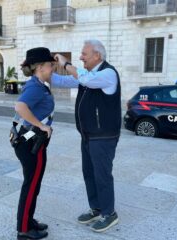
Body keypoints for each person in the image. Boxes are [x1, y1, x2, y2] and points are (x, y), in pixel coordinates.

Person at [52, 39, 121, 233]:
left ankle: (109, 213)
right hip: (88, 135)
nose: (81, 57)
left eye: (84, 54)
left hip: (103, 136)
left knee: (102, 175)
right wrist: (41, 69)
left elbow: (85, 79)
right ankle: (96, 208)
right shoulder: (87, 75)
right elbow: (62, 81)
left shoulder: (108, 73)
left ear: (97, 55)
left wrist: (66, 63)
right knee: (89, 174)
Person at [14, 47, 55, 240]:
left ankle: (28, 220)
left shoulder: (39, 84)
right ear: (40, 67)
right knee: (30, 185)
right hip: (31, 143)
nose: (52, 68)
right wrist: (41, 126)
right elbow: (20, 106)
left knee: (34, 184)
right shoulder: (35, 87)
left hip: (32, 142)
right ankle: (24, 229)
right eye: (50, 65)